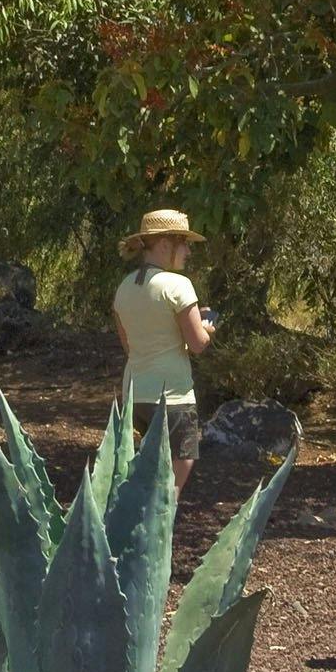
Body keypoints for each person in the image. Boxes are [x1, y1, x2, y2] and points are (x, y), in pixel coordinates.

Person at [114, 208, 215, 491]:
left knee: (146, 470)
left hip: (135, 394)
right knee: (178, 469)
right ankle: (162, 523)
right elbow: (197, 345)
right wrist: (206, 329)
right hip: (173, 397)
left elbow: (130, 345)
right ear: (164, 245)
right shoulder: (178, 285)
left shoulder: (124, 288)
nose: (188, 251)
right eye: (183, 243)